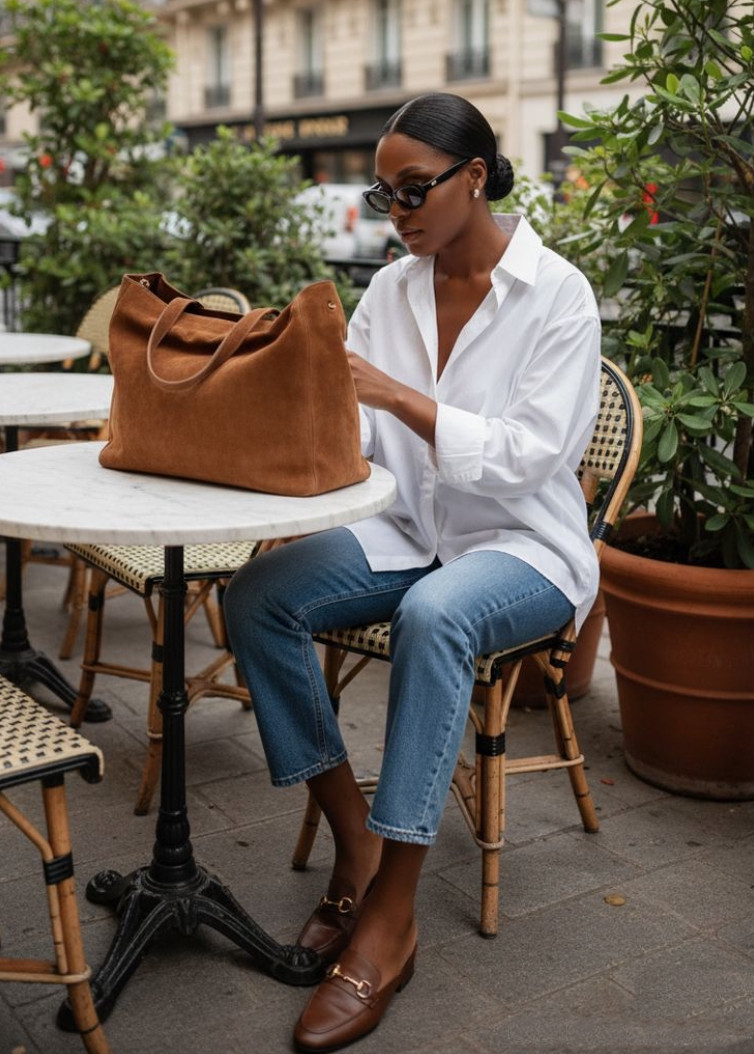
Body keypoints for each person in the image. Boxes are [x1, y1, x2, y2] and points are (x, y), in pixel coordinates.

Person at [223, 91, 601, 1052]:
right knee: (259, 597)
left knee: (437, 614)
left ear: (475, 176)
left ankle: (390, 916)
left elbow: (531, 457)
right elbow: (351, 431)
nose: (397, 212)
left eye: (414, 189)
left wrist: (399, 397)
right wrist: (291, 451)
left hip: (523, 545)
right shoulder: (390, 291)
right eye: (383, 194)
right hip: (405, 528)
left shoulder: (557, 294)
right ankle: (355, 840)